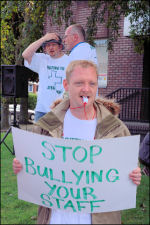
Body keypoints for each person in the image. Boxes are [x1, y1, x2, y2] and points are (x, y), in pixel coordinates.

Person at [13, 60, 141, 224]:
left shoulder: (116, 129)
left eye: (92, 83)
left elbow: (128, 173)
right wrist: (22, 167)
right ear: (66, 84)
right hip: (56, 219)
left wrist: (134, 176)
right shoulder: (46, 125)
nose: (86, 89)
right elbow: (33, 168)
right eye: (79, 83)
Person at [22, 33, 69, 122]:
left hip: (60, 110)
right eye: (47, 45)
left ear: (60, 47)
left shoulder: (69, 61)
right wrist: (44, 38)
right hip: (41, 110)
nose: (50, 47)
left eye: (53, 44)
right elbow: (25, 54)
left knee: (57, 136)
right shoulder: (42, 59)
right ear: (45, 48)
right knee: (38, 136)